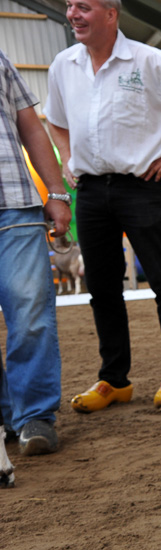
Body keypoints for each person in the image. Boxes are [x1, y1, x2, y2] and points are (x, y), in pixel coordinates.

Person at [44, 0, 161, 411]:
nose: (72, 14)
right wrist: (67, 157)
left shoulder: (150, 61)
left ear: (110, 12)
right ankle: (113, 380)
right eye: (69, 5)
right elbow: (55, 119)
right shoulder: (62, 66)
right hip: (88, 191)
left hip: (142, 186)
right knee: (101, 289)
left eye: (83, 6)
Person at [0, 49, 72, 455]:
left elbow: (30, 126)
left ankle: (34, 417)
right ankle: (5, 416)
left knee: (29, 313)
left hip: (14, 203)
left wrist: (56, 193)